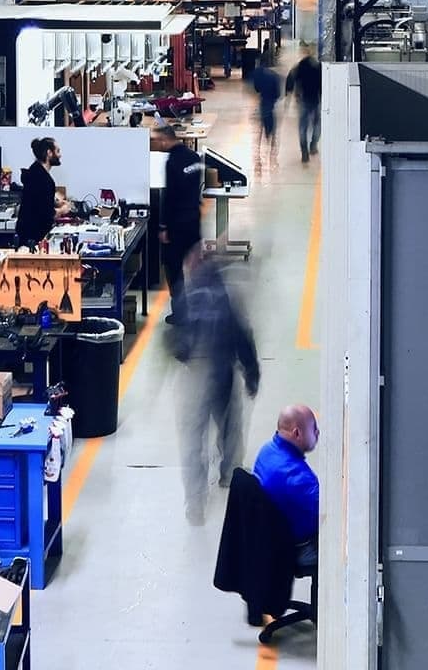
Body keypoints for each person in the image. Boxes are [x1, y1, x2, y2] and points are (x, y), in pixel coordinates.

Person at [173, 250, 259, 526]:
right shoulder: (226, 295)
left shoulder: (185, 296)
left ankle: (195, 503)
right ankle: (229, 475)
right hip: (222, 371)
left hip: (195, 375)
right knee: (230, 427)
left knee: (193, 441)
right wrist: (251, 372)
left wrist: (184, 355)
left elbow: (175, 340)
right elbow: (243, 336)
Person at [254, 404, 320, 569]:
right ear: (297, 433)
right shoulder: (298, 477)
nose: (318, 433)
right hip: (296, 548)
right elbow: (329, 516)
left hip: (267, 539)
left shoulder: (266, 451)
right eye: (314, 428)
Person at [152, 121, 205, 323]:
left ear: (166, 139)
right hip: (193, 220)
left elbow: (169, 196)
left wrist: (163, 226)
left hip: (176, 225)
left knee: (174, 270)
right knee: (197, 267)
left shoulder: (171, 162)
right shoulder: (195, 158)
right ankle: (204, 310)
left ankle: (181, 314)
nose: (157, 144)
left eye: (158, 141)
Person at [15, 136, 60, 248]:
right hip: (33, 238)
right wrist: (63, 210)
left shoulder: (35, 172)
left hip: (27, 234)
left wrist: (54, 201)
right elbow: (47, 214)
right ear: (49, 153)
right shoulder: (43, 179)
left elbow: (37, 200)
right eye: (58, 151)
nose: (60, 155)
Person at [285, 46, 322, 163]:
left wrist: (288, 96)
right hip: (315, 100)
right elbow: (324, 83)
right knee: (317, 125)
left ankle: (304, 152)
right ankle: (313, 145)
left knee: (302, 127)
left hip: (303, 101)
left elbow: (290, 79)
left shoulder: (299, 66)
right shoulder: (318, 66)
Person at [251, 58, 281, 169]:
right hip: (271, 104)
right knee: (272, 130)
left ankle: (258, 155)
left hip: (263, 103)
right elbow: (278, 93)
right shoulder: (275, 75)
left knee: (259, 130)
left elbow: (256, 88)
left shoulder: (258, 73)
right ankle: (272, 156)